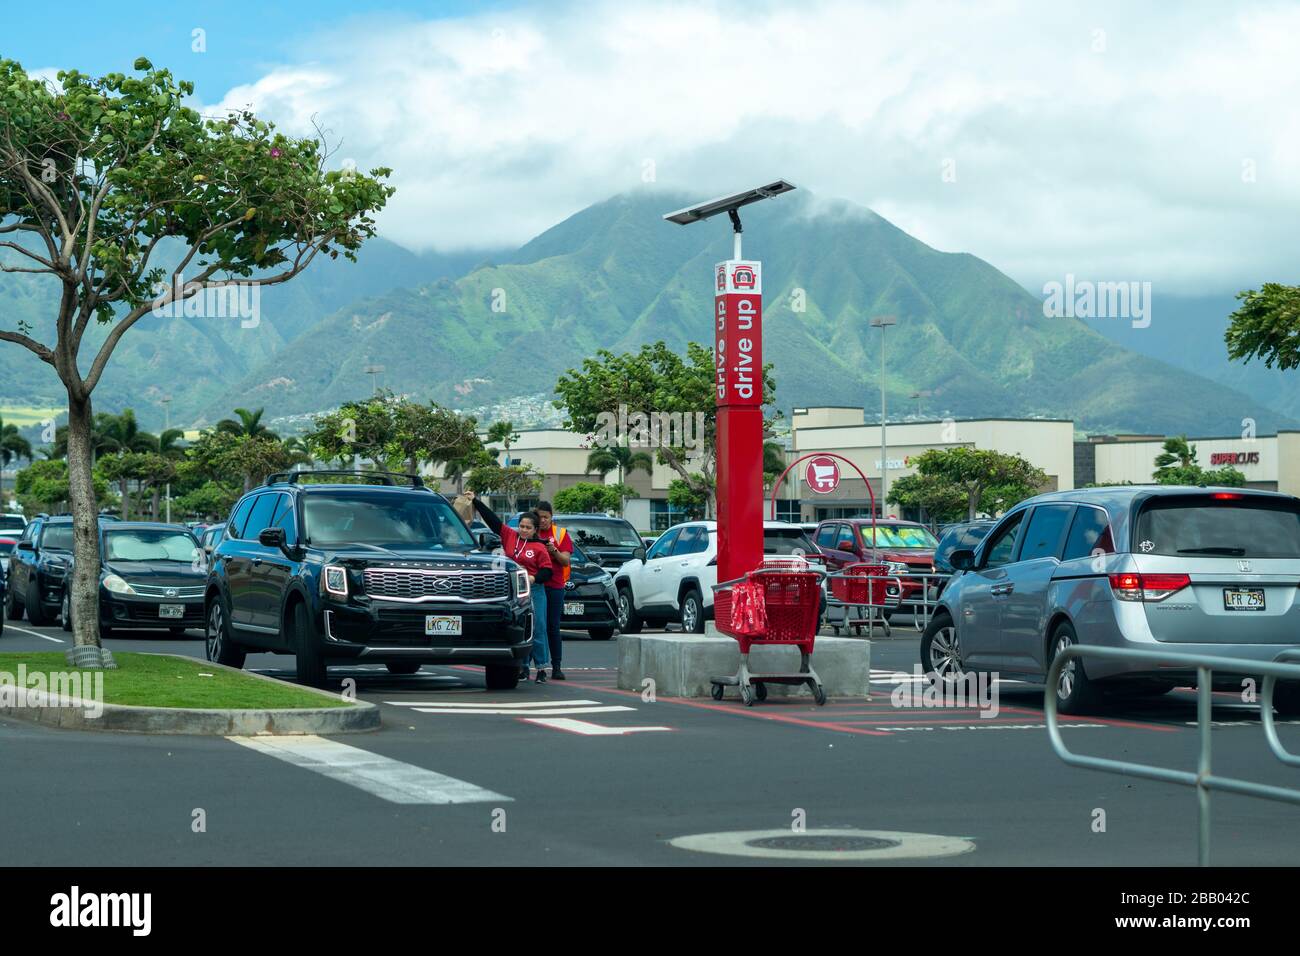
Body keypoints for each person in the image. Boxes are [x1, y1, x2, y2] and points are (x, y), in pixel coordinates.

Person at [464, 492, 552, 683]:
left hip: (534, 589)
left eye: (528, 528)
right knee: (522, 627)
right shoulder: (510, 536)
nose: (524, 530)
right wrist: (476, 501)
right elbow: (492, 520)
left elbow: (548, 572)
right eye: (521, 526)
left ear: (535, 529)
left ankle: (543, 668)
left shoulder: (539, 547)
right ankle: (523, 668)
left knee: (538, 628)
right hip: (515, 588)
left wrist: (533, 578)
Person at [534, 500, 573, 680]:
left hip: (555, 585)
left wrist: (553, 551)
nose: (542, 521)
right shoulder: (530, 531)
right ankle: (526, 667)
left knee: (553, 627)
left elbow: (565, 560)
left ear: (551, 517)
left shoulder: (560, 533)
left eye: (546, 517)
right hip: (535, 586)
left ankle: (556, 666)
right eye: (539, 517)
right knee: (534, 626)